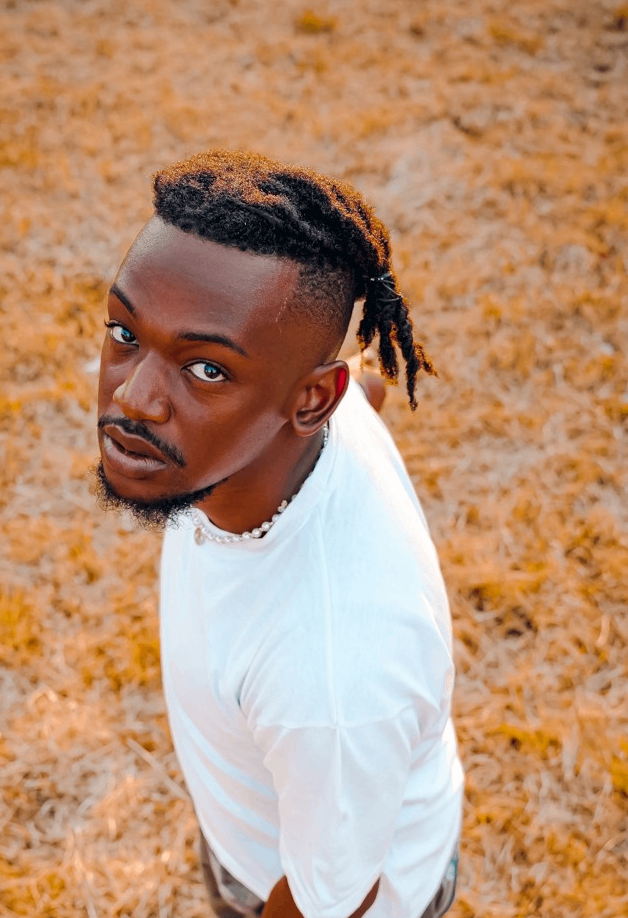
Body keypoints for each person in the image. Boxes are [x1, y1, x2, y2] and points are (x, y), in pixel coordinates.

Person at [94, 150, 464, 918]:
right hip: (263, 824)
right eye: (124, 332)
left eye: (206, 371)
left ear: (308, 402)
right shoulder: (306, 420)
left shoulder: (332, 678)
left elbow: (334, 899)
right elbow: (366, 387)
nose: (133, 398)